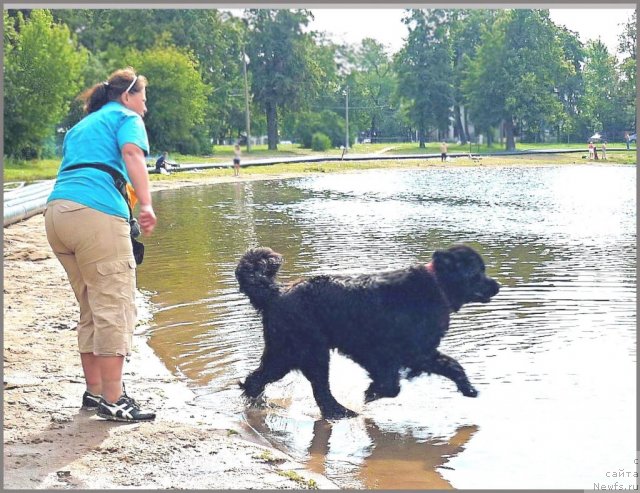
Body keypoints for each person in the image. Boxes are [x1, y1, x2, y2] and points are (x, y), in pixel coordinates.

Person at [44, 67, 157, 422]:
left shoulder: (82, 126)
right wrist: (149, 204)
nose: (145, 108)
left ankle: (95, 393)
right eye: (143, 99)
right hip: (94, 214)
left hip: (57, 214)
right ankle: (114, 399)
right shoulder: (126, 117)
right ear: (127, 96)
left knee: (92, 306)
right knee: (115, 305)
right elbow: (132, 155)